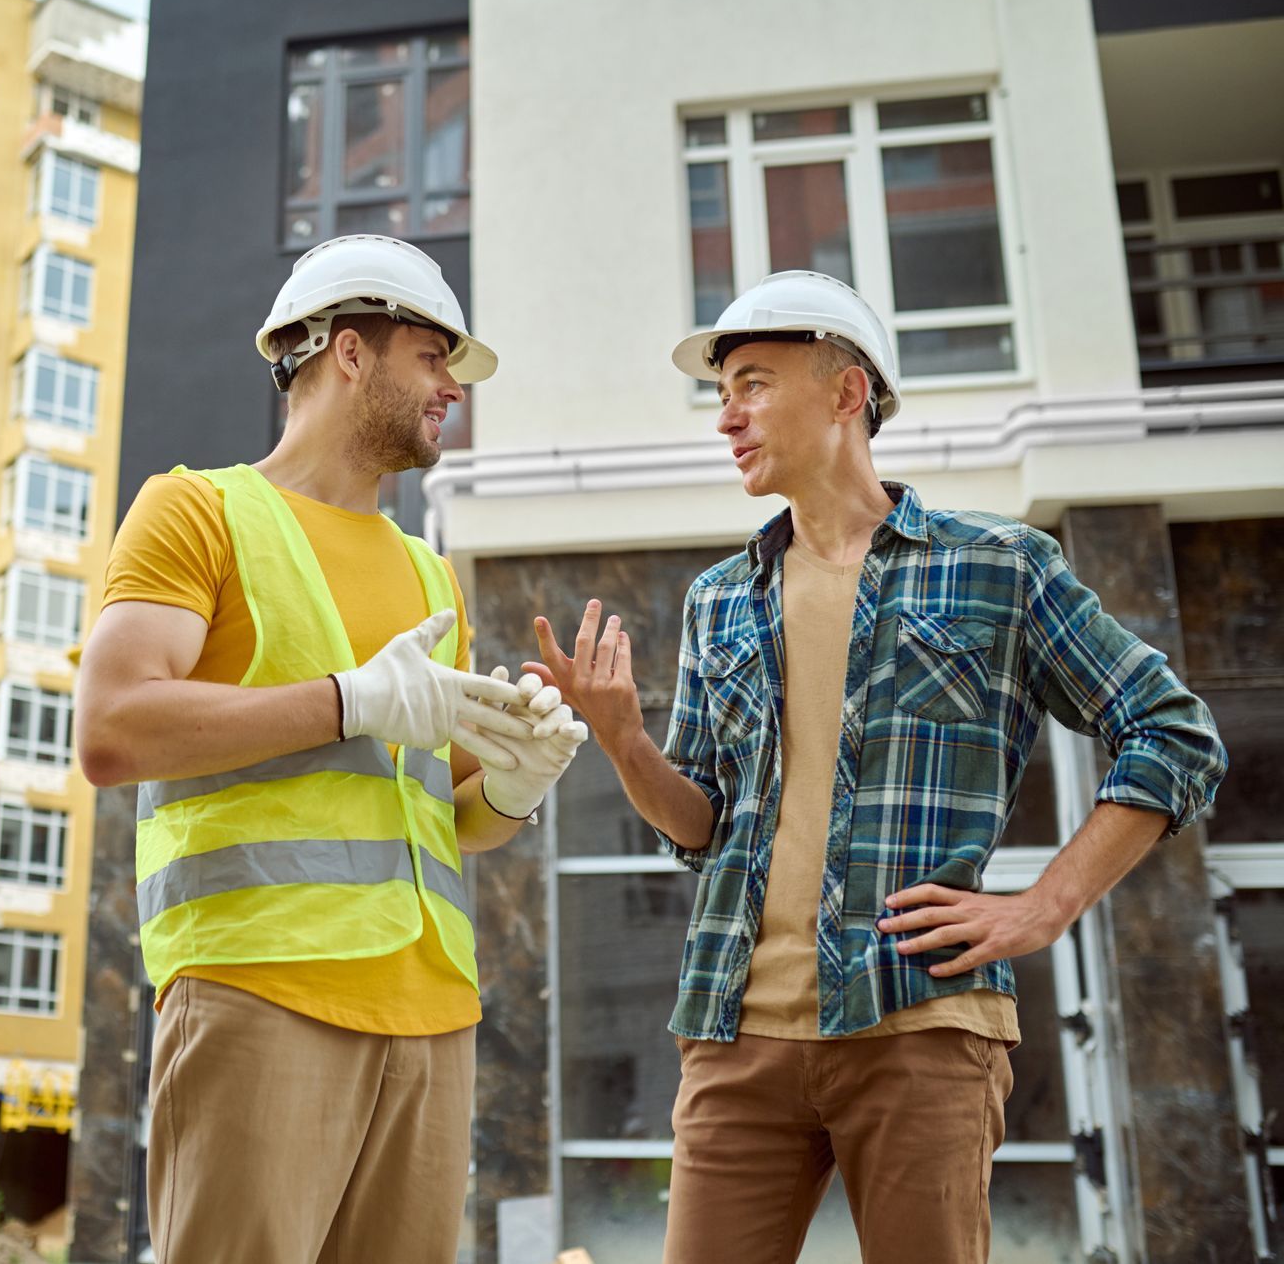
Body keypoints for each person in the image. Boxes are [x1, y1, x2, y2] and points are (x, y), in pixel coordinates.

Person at [525, 270, 1227, 1263]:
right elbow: (701, 827)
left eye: (755, 383)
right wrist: (624, 741)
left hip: (917, 1023)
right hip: (737, 1030)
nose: (729, 416)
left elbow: (1172, 731)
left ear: (849, 391)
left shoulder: (999, 566)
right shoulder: (719, 598)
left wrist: (1044, 905)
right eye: (723, 394)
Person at [75, 234, 587, 1262]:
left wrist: (519, 783)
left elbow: (444, 814)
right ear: (348, 351)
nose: (452, 387)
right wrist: (347, 700)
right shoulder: (200, 511)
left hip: (431, 1015)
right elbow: (115, 726)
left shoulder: (428, 575)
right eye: (433, 356)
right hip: (261, 991)